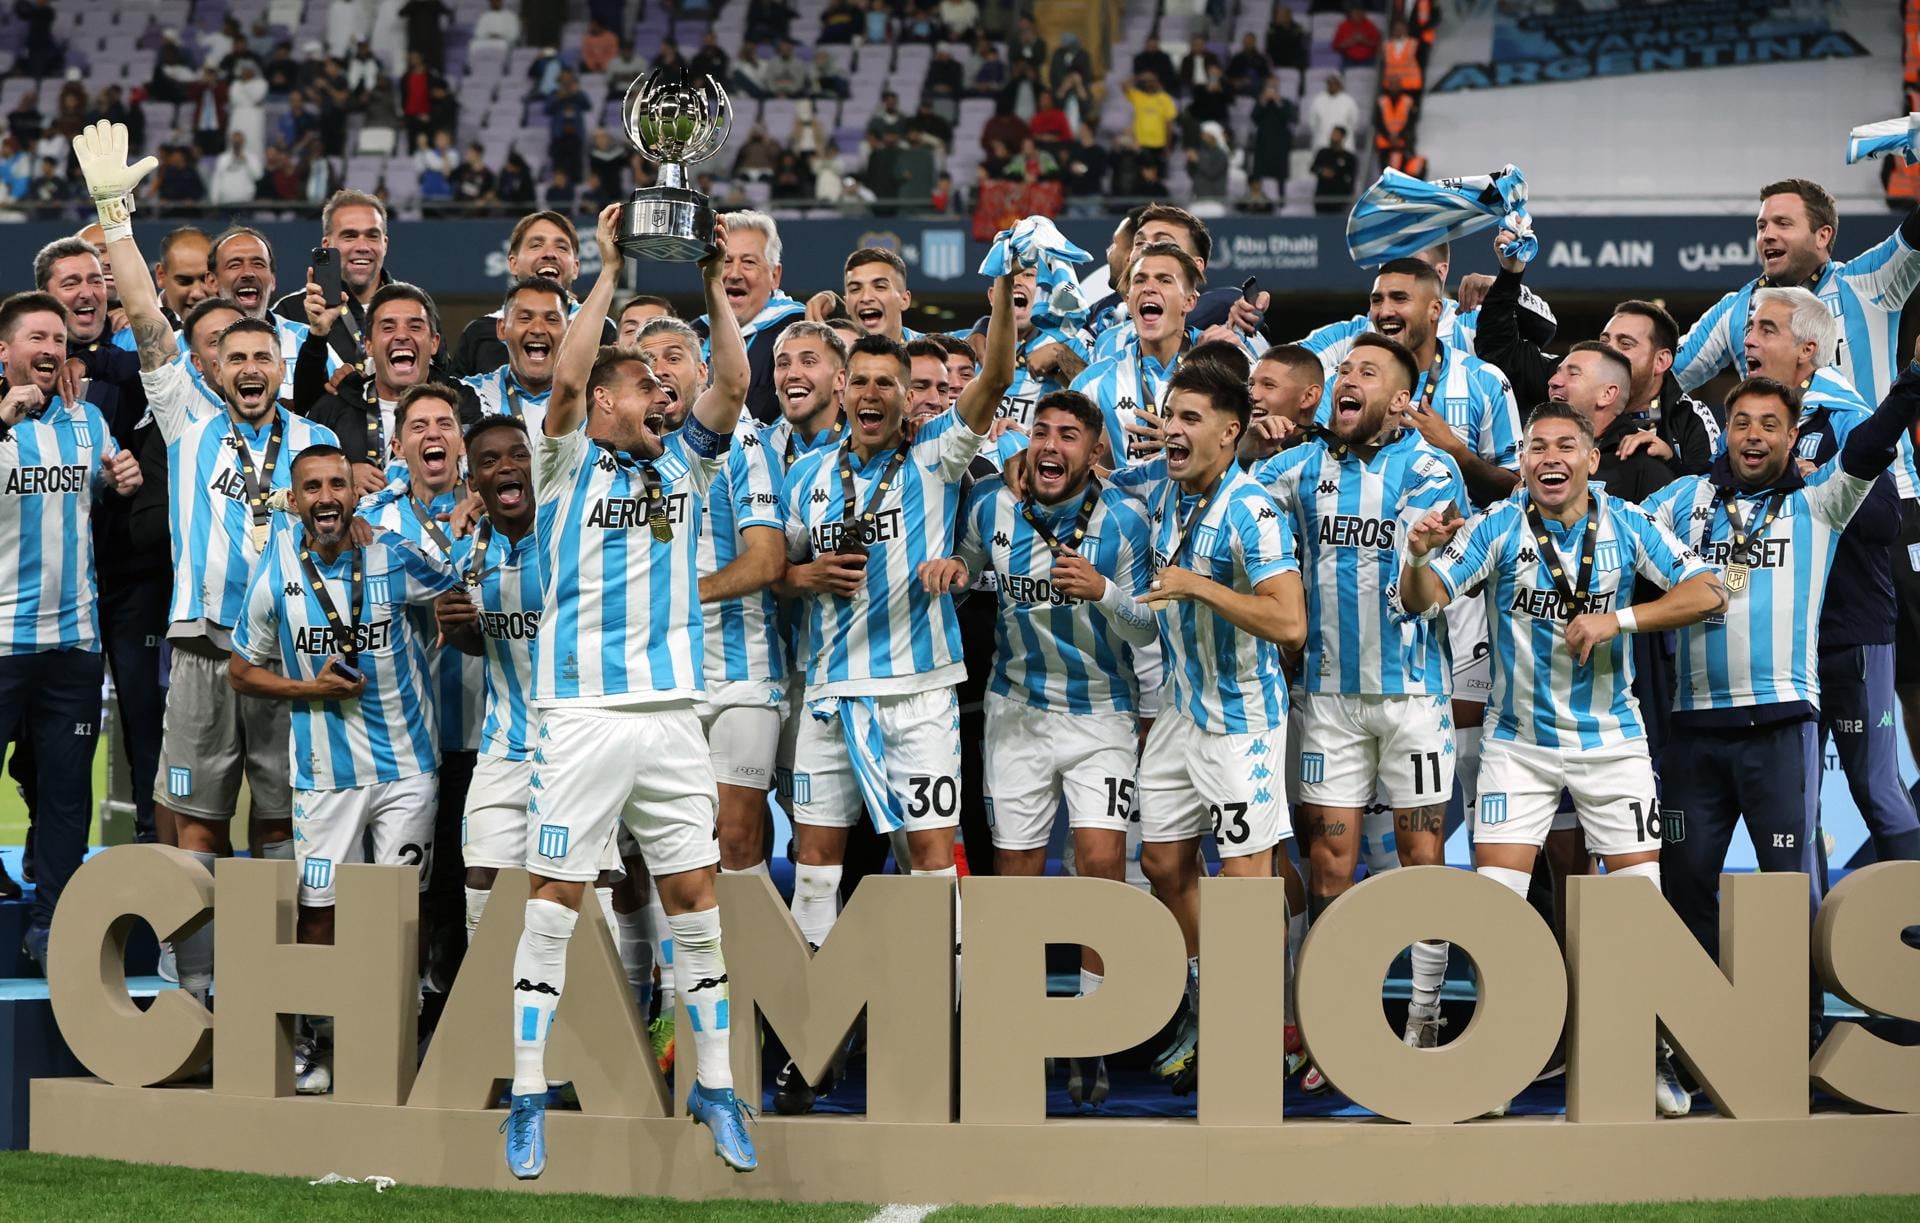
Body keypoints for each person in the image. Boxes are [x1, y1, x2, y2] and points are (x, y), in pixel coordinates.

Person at [500, 207, 755, 1178]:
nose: (663, 391)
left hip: (673, 720)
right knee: (556, 897)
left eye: (663, 381)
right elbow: (564, 375)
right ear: (606, 402)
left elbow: (732, 379)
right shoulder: (563, 461)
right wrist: (607, 267)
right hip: (582, 718)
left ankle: (717, 1082)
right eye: (645, 382)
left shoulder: (686, 459)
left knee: (695, 893)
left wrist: (713, 280)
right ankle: (527, 1092)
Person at [1400, 400, 1727, 1117]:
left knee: (1636, 909)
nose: (1549, 457)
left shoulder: (1630, 523)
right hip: (1517, 746)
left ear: (1589, 459)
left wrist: (1623, 618)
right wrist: (1418, 555)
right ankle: (1490, 1062)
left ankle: (1648, 1052)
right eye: (1535, 446)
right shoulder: (1494, 526)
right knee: (1496, 908)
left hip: (1612, 745)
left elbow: (1712, 587)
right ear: (1522, 462)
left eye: (1563, 446)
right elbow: (1421, 598)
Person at [769, 276, 1014, 1109]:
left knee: (929, 867)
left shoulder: (938, 455)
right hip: (831, 697)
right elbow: (777, 572)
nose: (872, 393)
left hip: (918, 697)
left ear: (908, 396)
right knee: (813, 873)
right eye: (861, 381)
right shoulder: (803, 476)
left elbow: (991, 382)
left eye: (887, 382)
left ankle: (938, 1040)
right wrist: (801, 575)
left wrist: (1005, 305)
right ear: (840, 389)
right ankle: (813, 1041)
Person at [1645, 365, 1920, 1040]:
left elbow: (1866, 450)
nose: (1754, 435)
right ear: (1726, 432)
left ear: (1794, 436)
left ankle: (1801, 1036)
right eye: (1742, 422)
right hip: (1693, 730)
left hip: (1782, 726)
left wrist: (1910, 384)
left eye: (1771, 424)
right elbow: (1628, 551)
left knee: (1788, 889)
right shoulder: (1683, 500)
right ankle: (1697, 1038)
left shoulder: (1820, 501)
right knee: (1685, 885)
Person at [933, 388, 1156, 1103]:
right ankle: (1018, 1032)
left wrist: (1103, 591)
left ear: (1096, 452)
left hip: (1102, 717)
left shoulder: (1125, 519)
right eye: (1042, 432)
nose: (1050, 446)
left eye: (1068, 435)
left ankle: (1090, 1035)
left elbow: (1149, 626)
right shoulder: (990, 504)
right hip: (1016, 713)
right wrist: (956, 574)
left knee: (1099, 866)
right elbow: (968, 562)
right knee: (1016, 877)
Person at [1253, 333, 1465, 1073]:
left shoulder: (1433, 469)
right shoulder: (1299, 468)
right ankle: (1331, 1022)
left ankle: (1424, 1017)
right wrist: (1251, 437)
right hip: (1328, 703)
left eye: (1365, 372)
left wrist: (1415, 553)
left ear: (1400, 398)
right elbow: (1231, 486)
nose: (1347, 379)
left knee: (1422, 860)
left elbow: (1422, 580)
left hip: (1415, 699)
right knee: (1329, 865)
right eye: (1342, 369)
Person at [229, 436, 459, 1091]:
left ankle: (398, 1032)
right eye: (313, 487)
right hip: (323, 777)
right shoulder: (273, 568)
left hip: (407, 767)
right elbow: (242, 672)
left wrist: (445, 526)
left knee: (402, 908)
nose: (327, 498)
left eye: (337, 485)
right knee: (319, 908)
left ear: (354, 493)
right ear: (294, 499)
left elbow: (461, 582)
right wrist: (309, 690)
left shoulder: (391, 555)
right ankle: (321, 1036)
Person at [1109, 349, 1306, 1091]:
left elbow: (1289, 622)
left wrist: (1197, 585)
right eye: (1169, 416)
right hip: (1181, 715)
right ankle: (1212, 1000)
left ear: (1231, 432)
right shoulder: (1165, 492)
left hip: (1242, 726)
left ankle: (1261, 1030)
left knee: (1248, 879)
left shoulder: (1252, 509)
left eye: (1190, 419)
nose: (1173, 431)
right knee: (1161, 863)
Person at [1738, 289, 1918, 866]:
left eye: (1766, 329)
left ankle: (1907, 918)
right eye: (1749, 328)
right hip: (1786, 646)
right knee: (1798, 805)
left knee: (1875, 788)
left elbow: (1886, 519)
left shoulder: (1847, 417)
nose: (1748, 340)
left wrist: (1814, 480)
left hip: (1850, 633)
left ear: (1807, 350)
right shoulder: (1750, 424)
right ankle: (1806, 945)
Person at [0, 290, 143, 970]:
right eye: (37, 337)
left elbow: (116, 476)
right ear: (6, 350)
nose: (51, 349)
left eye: (58, 338)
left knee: (65, 794)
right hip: (0, 643)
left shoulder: (87, 422)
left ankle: (51, 920)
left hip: (75, 645)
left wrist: (126, 473)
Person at [629, 311, 782, 882]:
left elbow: (766, 559)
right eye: (648, 362)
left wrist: (681, 595)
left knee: (738, 839)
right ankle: (673, 975)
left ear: (701, 371)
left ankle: (752, 972)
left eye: (673, 356)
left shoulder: (743, 441)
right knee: (667, 844)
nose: (660, 370)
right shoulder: (621, 452)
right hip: (661, 676)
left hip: (741, 672)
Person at [298, 281, 457, 495]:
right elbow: (299, 480)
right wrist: (342, 475)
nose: (401, 336)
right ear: (369, 345)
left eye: (415, 326)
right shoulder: (333, 409)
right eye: (388, 328)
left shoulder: (463, 405)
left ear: (434, 343)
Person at [458, 277, 564, 427]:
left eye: (552, 319)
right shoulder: (469, 393)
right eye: (525, 318)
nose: (538, 329)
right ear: (502, 329)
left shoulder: (592, 399)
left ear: (570, 332)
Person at [153, 226, 216, 326]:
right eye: (184, 281)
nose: (197, 294)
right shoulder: (128, 332)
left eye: (206, 279)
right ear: (161, 276)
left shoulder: (238, 322)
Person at [1306, 75, 1359, 156]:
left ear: (1339, 84)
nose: (1332, 85)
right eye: (1330, 83)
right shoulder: (1318, 100)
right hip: (1322, 141)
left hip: (1344, 143)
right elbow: (1312, 122)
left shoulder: (1348, 101)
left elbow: (1354, 122)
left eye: (1334, 83)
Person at [1310, 127, 1357, 215]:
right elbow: (1313, 168)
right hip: (1322, 198)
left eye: (1336, 134)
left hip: (1340, 199)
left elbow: (1352, 177)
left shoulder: (1349, 157)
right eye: (1332, 134)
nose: (1333, 136)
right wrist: (1322, 171)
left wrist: (1349, 196)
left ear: (1342, 137)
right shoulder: (1323, 153)